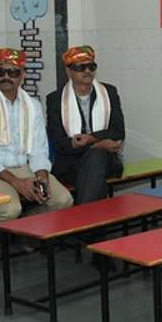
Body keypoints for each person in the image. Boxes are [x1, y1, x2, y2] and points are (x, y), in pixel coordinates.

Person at [0, 48, 73, 230]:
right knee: (10, 209)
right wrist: (17, 183)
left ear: (22, 75)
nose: (6, 77)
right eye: (0, 72)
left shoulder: (33, 106)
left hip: (26, 168)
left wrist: (41, 177)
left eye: (13, 72)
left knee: (63, 200)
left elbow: (39, 150)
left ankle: (25, 231)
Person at [45, 45, 125, 204]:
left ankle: (83, 215)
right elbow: (60, 143)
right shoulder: (55, 99)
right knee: (93, 171)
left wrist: (91, 139)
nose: (87, 71)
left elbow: (118, 132)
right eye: (80, 67)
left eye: (91, 66)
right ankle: (91, 217)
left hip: (106, 160)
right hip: (70, 164)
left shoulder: (109, 92)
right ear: (68, 71)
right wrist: (97, 144)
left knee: (95, 159)